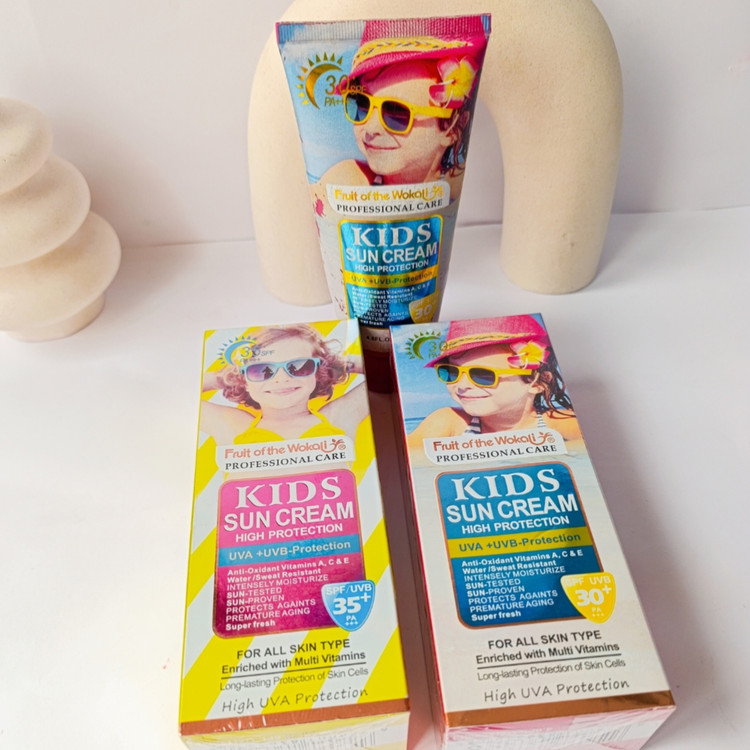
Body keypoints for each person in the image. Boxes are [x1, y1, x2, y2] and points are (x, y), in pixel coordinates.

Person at [316, 20, 484, 196]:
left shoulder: (459, 191)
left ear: (453, 129)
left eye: (396, 112)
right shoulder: (350, 181)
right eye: (362, 104)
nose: (371, 129)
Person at [407, 316, 582, 447]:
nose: (462, 385)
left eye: (482, 375)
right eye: (452, 373)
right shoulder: (451, 423)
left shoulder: (557, 422)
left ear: (538, 383)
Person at [200, 324, 366, 443]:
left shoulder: (338, 417)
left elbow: (376, 370)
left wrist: (334, 364)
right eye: (261, 370)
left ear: (319, 371)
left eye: (299, 366)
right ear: (244, 380)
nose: (281, 378)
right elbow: (188, 393)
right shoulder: (233, 425)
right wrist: (231, 376)